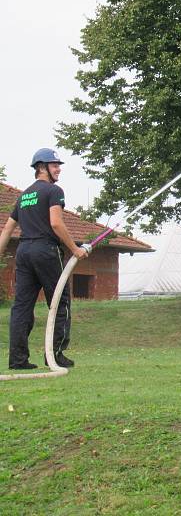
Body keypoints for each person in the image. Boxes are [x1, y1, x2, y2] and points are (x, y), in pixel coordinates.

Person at [0, 148, 88, 370]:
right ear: (42, 168)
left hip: (24, 251)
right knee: (60, 302)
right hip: (45, 251)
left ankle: (17, 360)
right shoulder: (53, 191)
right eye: (54, 165)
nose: (58, 169)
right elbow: (56, 223)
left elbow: (7, 230)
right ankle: (55, 356)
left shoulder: (24, 196)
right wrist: (75, 249)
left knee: (21, 307)